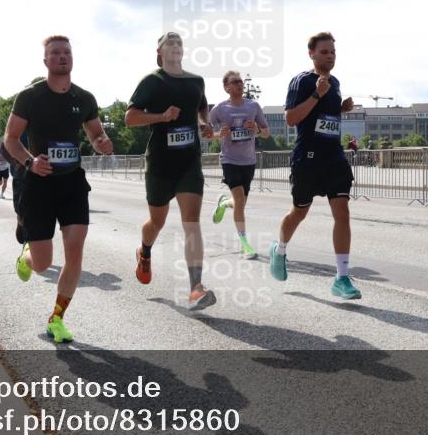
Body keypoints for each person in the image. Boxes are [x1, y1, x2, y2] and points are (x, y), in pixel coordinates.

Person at [3, 35, 113, 343]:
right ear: (46, 61)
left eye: (66, 52)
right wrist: (29, 162)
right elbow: (10, 139)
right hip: (39, 184)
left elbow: (96, 134)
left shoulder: (85, 98)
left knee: (74, 254)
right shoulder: (30, 97)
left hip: (72, 183)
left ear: (72, 58)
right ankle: (26, 255)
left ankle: (57, 318)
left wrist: (102, 143)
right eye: (55, 53)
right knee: (42, 264)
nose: (62, 56)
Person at [125, 31, 217, 310]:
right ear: (160, 53)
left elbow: (202, 108)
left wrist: (205, 123)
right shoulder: (152, 81)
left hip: (189, 161)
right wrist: (162, 117)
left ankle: (196, 288)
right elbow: (130, 118)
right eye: (170, 43)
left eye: (179, 43)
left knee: (192, 222)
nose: (176, 46)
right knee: (157, 222)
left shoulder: (196, 81)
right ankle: (145, 250)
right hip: (160, 164)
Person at [268, 32, 361, 299]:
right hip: (307, 158)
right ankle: (280, 249)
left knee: (342, 212)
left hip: (334, 156)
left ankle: (342, 278)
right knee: (299, 212)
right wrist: (317, 96)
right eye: (324, 52)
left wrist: (340, 109)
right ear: (311, 54)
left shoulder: (336, 82)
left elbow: (323, 118)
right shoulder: (302, 81)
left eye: (333, 52)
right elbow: (291, 119)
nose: (330, 56)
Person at [209, 70, 270, 258]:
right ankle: (245, 245)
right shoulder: (219, 109)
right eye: (235, 82)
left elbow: (266, 133)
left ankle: (224, 203)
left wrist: (257, 129)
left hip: (249, 161)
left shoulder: (253, 106)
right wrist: (220, 134)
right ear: (226, 87)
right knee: (241, 202)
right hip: (229, 160)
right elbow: (208, 133)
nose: (239, 84)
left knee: (240, 203)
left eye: (241, 82)